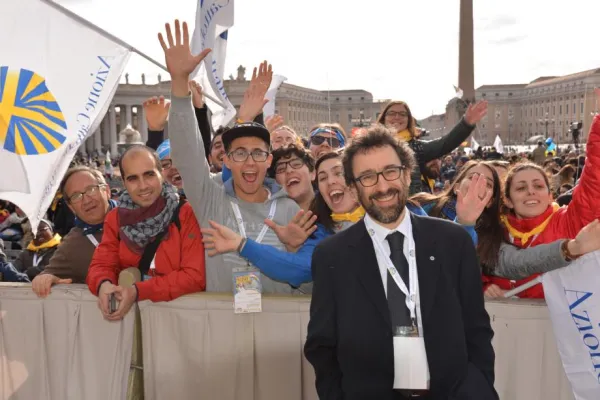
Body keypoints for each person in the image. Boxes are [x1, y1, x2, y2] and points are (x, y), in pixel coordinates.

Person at [305, 126, 497, 399]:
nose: (383, 186)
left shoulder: (453, 242)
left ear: (407, 174)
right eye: (368, 177)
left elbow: (477, 330)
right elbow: (322, 346)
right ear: (353, 188)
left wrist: (478, 388)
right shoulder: (331, 256)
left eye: (390, 171)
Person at [162, 20, 309, 294]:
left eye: (258, 153)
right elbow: (188, 154)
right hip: (222, 318)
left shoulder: (290, 210)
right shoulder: (210, 198)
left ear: (269, 160)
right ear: (227, 160)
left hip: (277, 319)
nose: (250, 161)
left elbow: (309, 286)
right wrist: (180, 84)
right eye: (240, 153)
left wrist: (294, 249)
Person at [484, 105, 600, 298]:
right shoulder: (493, 229)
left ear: (550, 196)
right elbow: (468, 267)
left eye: (538, 186)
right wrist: (484, 285)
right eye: (521, 188)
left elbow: (595, 180)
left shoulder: (568, 221)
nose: (531, 191)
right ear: (508, 200)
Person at [86, 145, 206, 321]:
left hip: (180, 319)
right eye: (133, 178)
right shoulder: (115, 218)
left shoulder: (186, 213)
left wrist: (139, 291)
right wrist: (103, 284)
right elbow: (102, 263)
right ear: (124, 182)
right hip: (135, 320)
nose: (142, 186)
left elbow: (194, 277)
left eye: (149, 175)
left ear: (161, 174)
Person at [31, 166, 116, 297]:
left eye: (91, 189)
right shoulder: (71, 245)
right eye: (76, 196)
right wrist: (47, 278)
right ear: (71, 207)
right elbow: (47, 274)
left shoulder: (137, 218)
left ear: (106, 191)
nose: (86, 200)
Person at [377, 100, 488, 194]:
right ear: (383, 118)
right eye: (392, 113)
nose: (397, 117)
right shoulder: (371, 145)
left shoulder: (417, 147)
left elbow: (445, 144)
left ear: (408, 120)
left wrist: (466, 123)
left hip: (409, 206)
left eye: (402, 114)